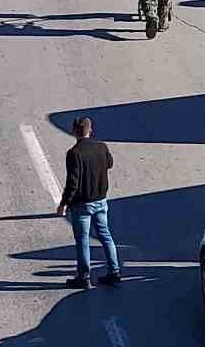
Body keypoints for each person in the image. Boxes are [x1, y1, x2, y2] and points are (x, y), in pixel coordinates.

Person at [56, 117, 121, 289]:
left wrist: (63, 203)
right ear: (90, 130)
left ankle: (84, 276)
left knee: (83, 240)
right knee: (105, 235)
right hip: (101, 200)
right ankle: (114, 272)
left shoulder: (74, 153)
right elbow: (110, 163)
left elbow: (73, 182)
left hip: (82, 204)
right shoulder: (101, 147)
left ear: (74, 132)